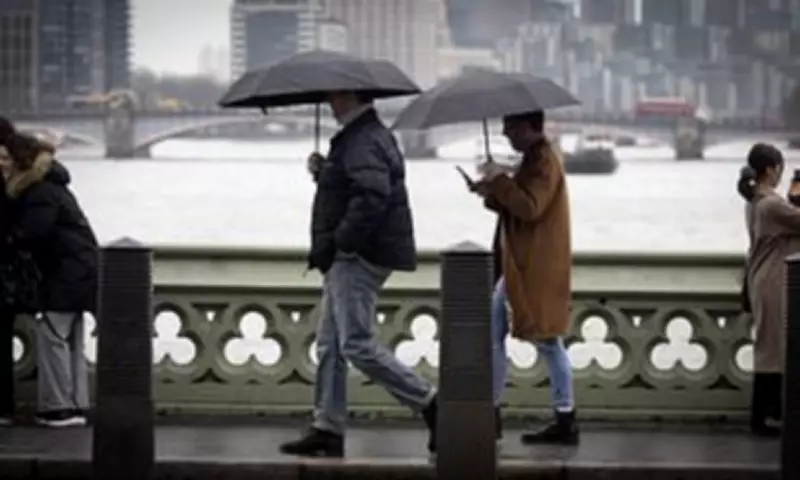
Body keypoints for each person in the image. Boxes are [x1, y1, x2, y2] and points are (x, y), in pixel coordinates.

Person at [279, 92, 438, 457]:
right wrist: (326, 173)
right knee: (330, 344)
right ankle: (327, 428)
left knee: (355, 344)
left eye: (335, 95)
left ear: (350, 96)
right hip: (352, 254)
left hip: (356, 256)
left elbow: (372, 194)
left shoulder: (362, 137)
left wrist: (343, 242)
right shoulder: (365, 136)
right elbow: (358, 186)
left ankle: (431, 403)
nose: (329, 101)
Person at [472, 110, 578, 444]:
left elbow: (531, 208)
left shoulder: (543, 160)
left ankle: (563, 418)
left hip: (532, 266)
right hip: (521, 264)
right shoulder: (534, 158)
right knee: (501, 333)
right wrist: (490, 191)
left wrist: (500, 180)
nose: (506, 135)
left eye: (512, 129)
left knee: (546, 340)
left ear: (531, 127)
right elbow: (518, 205)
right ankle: (494, 413)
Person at [1, 133, 98, 428]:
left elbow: (32, 234)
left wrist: (9, 239)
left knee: (52, 336)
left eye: (8, 159)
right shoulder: (54, 186)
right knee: (71, 340)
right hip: (80, 272)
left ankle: (57, 408)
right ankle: (76, 404)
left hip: (63, 275)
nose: (4, 165)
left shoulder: (40, 193)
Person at [737, 143, 800, 437]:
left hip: (760, 278)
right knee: (772, 350)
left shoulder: (754, 201)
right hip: (774, 280)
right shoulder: (772, 205)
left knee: (769, 346)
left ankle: (768, 412)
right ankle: (763, 417)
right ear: (772, 169)